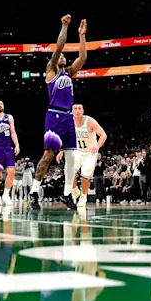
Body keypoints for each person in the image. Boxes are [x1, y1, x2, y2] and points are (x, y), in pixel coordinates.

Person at [30, 15, 88, 210]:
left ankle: (67, 194)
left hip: (68, 117)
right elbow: (59, 47)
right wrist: (64, 26)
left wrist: (81, 36)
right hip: (54, 115)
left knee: (72, 158)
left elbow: (83, 58)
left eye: (64, 57)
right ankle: (34, 191)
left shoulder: (68, 72)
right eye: (60, 57)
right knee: (48, 156)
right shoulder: (51, 71)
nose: (63, 57)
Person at [67, 103, 107, 207]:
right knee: (70, 171)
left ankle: (83, 197)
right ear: (72, 112)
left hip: (90, 152)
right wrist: (61, 151)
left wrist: (97, 146)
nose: (77, 111)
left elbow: (103, 135)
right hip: (77, 151)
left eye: (79, 108)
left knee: (85, 176)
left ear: (83, 111)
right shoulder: (69, 122)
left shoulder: (90, 121)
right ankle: (75, 190)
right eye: (75, 109)